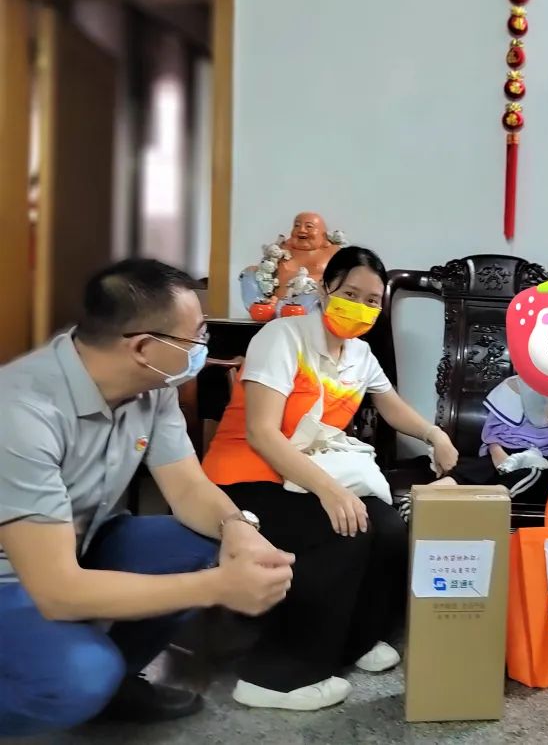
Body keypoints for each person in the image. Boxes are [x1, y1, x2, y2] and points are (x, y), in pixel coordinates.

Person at [0, 259, 295, 738]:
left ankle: (116, 685)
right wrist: (219, 587)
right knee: (79, 676)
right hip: (17, 576)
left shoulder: (152, 388)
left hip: (80, 542)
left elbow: (188, 487)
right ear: (143, 347)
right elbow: (56, 592)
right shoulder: (21, 412)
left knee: (196, 541)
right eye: (196, 336)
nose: (204, 347)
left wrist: (238, 529)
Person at [202, 245, 460, 711]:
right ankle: (275, 676)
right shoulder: (283, 337)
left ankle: (354, 640)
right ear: (326, 290)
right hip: (244, 478)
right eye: (350, 294)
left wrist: (434, 435)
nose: (360, 307)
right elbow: (262, 433)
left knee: (389, 527)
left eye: (372, 300)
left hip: (307, 475)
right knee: (343, 529)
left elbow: (390, 405)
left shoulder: (360, 355)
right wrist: (331, 491)